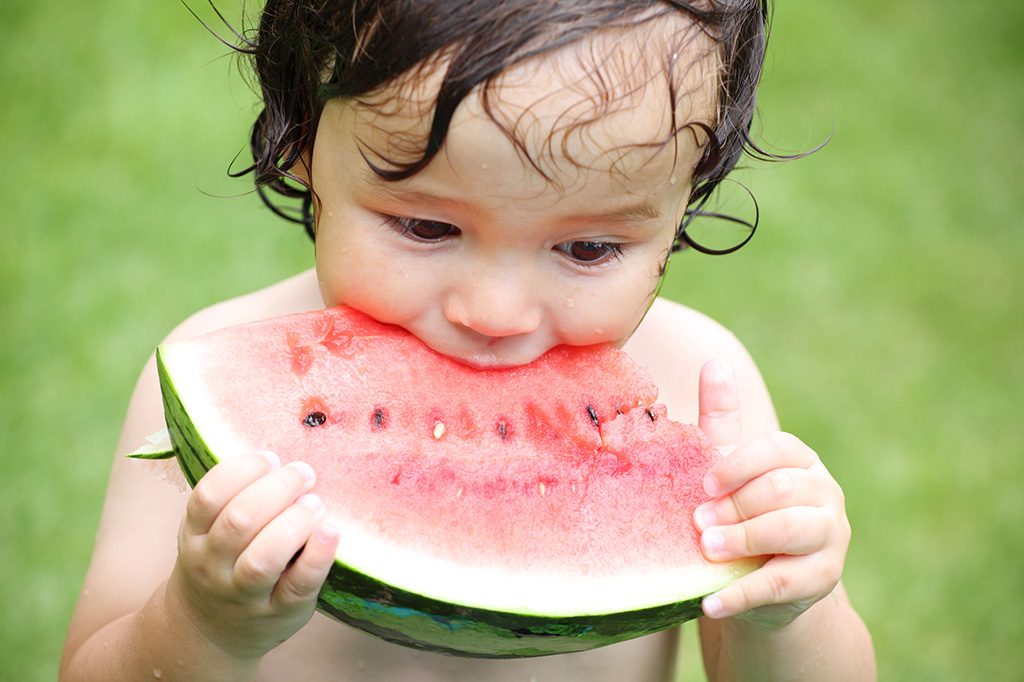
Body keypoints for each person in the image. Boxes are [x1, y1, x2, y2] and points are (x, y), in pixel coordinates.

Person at [60, 1, 875, 680]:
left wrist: (787, 608)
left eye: (588, 249)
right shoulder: (202, 381)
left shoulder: (700, 390)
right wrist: (201, 625)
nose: (496, 310)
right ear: (304, 145)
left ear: (679, 209)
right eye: (425, 225)